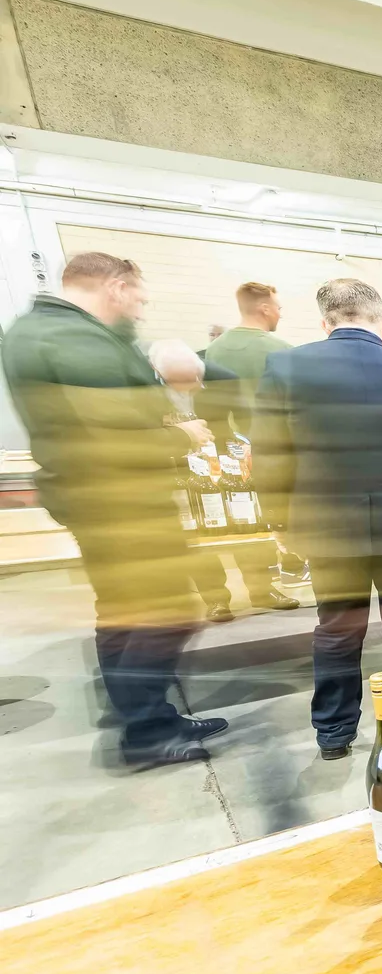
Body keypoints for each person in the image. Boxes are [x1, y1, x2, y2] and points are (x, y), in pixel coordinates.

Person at [5, 252, 227, 769]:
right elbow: (113, 423)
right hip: (118, 499)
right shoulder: (71, 338)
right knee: (168, 611)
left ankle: (144, 714)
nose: (140, 309)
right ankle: (145, 728)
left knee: (124, 614)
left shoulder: (37, 331)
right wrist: (179, 434)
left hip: (96, 497)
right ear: (116, 287)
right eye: (138, 297)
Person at [254, 278, 382, 759]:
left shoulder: (286, 366)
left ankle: (334, 734)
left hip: (328, 527)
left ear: (325, 323)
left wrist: (280, 522)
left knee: (337, 628)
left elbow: (269, 456)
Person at [148, 341, 297, 621]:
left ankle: (262, 589)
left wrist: (252, 450)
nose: (191, 386)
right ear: (158, 373)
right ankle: (216, 598)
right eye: (179, 382)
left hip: (226, 461)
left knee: (249, 526)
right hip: (180, 465)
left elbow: (247, 418)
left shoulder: (222, 377)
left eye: (195, 379)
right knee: (198, 534)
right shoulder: (143, 384)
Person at [204, 281, 304, 601]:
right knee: (284, 513)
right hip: (276, 448)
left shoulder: (214, 350)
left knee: (246, 519)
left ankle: (260, 587)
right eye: (278, 307)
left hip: (231, 451)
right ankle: (291, 566)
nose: (279, 314)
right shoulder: (279, 349)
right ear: (264, 308)